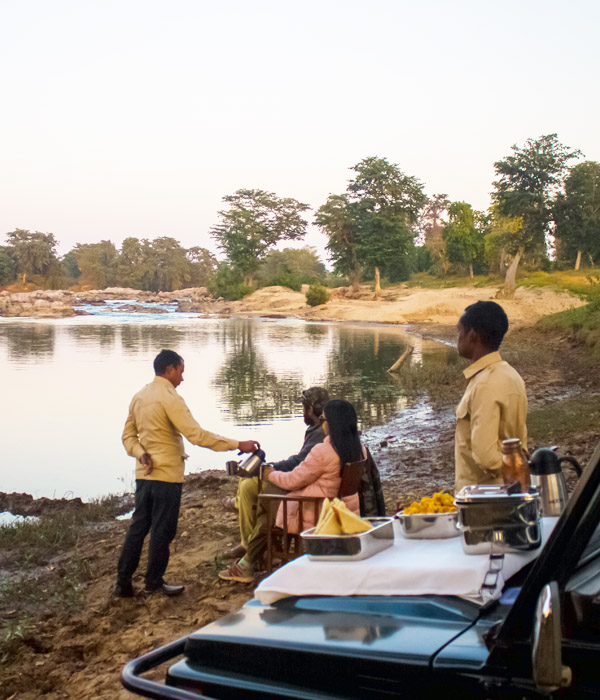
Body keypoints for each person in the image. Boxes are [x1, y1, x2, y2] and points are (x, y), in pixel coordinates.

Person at [115, 349, 259, 598]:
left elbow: (128, 436)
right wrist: (238, 444)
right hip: (167, 475)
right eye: (181, 372)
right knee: (163, 530)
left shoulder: (139, 396)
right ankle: (154, 582)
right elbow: (197, 435)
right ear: (169, 369)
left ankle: (123, 584)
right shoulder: (170, 398)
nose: (182, 378)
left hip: (144, 475)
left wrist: (140, 453)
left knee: (138, 528)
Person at [219, 399, 365, 583]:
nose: (322, 422)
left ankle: (247, 562)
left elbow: (293, 480)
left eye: (324, 419)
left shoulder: (323, 451)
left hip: (315, 511)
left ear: (333, 423)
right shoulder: (360, 450)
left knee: (266, 513)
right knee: (268, 507)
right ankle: (249, 560)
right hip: (341, 509)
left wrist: (270, 474)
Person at [225, 386, 329, 559]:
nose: (302, 412)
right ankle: (246, 537)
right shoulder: (318, 430)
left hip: (305, 495)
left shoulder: (320, 434)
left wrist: (271, 470)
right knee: (248, 483)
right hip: (308, 487)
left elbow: (299, 467)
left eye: (303, 408)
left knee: (249, 486)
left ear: (310, 409)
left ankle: (248, 545)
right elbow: (303, 462)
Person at [455, 301, 528, 492]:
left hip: (486, 499)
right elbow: (520, 442)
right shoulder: (511, 374)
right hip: (509, 492)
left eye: (459, 331)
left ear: (472, 336)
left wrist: (511, 474)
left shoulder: (486, 383)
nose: (458, 338)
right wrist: (518, 474)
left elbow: (486, 457)